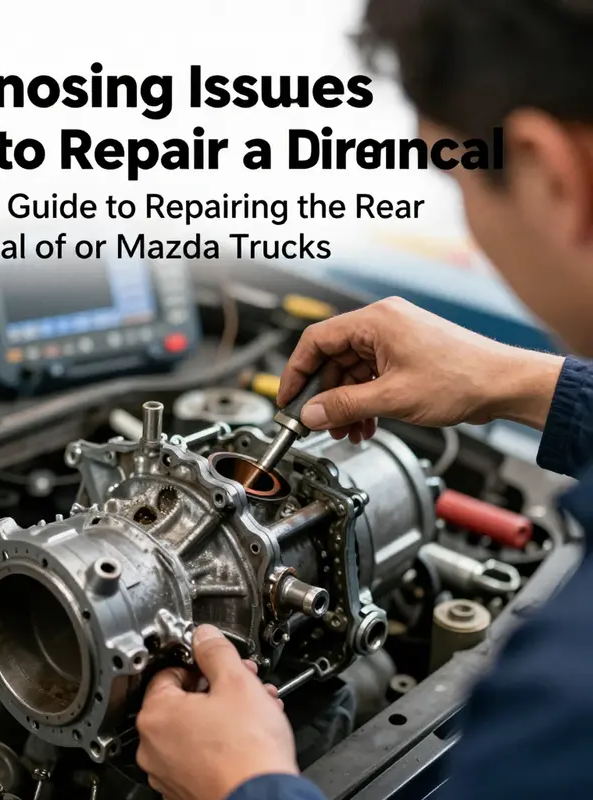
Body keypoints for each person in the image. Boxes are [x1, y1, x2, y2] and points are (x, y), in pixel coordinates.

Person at [134, 0, 593, 799]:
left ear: (551, 168)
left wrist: (242, 785)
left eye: (454, 176)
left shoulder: (562, 702)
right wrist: (533, 385)